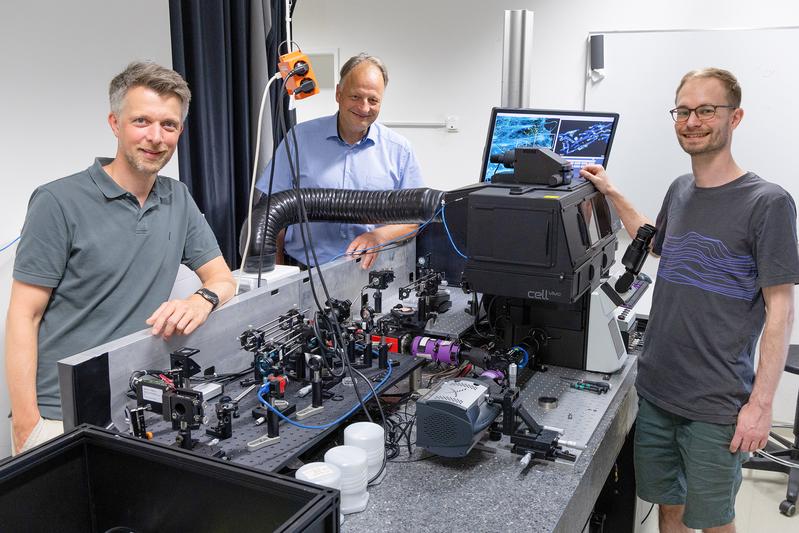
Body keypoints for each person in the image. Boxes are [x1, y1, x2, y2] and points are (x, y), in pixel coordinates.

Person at [581, 68, 798, 532]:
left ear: (734, 117)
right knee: (668, 507)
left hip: (717, 401)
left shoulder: (768, 202)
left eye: (706, 110)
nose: (692, 121)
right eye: (683, 110)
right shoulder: (680, 189)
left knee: (715, 521)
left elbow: (781, 309)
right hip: (658, 389)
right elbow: (658, 243)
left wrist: (761, 405)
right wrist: (610, 190)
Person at [6, 61, 236, 456]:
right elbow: (22, 316)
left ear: (180, 131)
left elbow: (223, 279)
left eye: (168, 125)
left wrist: (202, 299)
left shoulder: (177, 197)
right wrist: (28, 425)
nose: (155, 137)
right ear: (115, 123)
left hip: (139, 407)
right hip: (63, 414)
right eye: (141, 121)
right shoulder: (57, 201)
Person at [255, 53, 425, 270]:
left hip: (372, 276)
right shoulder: (299, 139)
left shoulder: (399, 150)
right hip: (305, 272)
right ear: (338, 93)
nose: (364, 108)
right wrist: (275, 276)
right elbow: (271, 210)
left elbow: (414, 219)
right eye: (355, 97)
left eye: (373, 100)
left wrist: (377, 236)